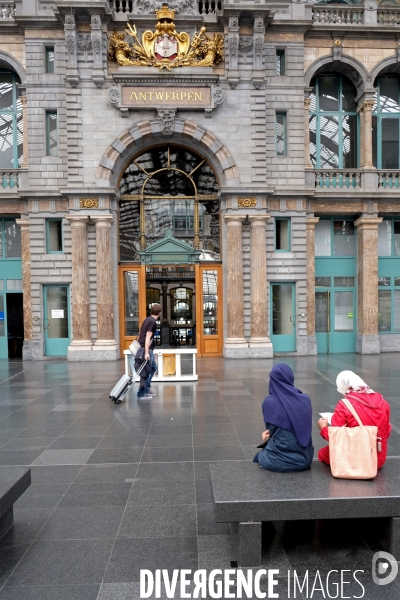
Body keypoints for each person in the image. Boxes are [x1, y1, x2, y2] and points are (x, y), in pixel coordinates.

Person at [318, 370, 391, 470]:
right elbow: (387, 432)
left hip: (356, 459)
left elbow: (334, 436)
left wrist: (323, 427)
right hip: (378, 460)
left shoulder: (345, 404)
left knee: (323, 453)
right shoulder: (383, 401)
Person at [253, 363, 314, 473]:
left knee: (260, 455)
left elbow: (273, 428)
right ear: (289, 377)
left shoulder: (269, 403)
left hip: (278, 460)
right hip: (304, 460)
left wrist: (270, 432)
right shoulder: (305, 400)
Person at [137, 304, 162, 399]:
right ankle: (142, 392)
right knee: (149, 370)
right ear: (159, 312)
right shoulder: (152, 322)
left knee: (151, 368)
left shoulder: (147, 319)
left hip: (144, 347)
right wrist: (147, 352)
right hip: (146, 348)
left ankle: (146, 390)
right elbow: (148, 338)